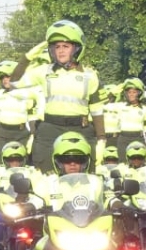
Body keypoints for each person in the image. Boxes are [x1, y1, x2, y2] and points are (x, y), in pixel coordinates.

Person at [11, 20, 106, 173]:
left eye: (66, 46)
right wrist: (27, 58)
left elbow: (97, 109)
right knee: (45, 174)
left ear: (76, 49)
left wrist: (101, 138)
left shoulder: (90, 75)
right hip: (50, 130)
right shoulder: (44, 71)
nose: (60, 51)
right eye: (57, 47)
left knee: (87, 175)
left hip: (81, 130)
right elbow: (14, 82)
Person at [0, 60, 34, 163]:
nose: (5, 80)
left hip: (21, 133)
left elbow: (33, 114)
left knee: (23, 161)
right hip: (3, 133)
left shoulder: (26, 94)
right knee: (1, 162)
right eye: (2, 77)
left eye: (8, 76)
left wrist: (33, 134)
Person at [111, 78, 146, 154]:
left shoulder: (144, 109)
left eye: (134, 92)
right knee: (122, 164)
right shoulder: (120, 106)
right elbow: (104, 103)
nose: (131, 94)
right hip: (123, 139)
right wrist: (115, 91)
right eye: (129, 92)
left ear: (139, 93)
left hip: (138, 139)